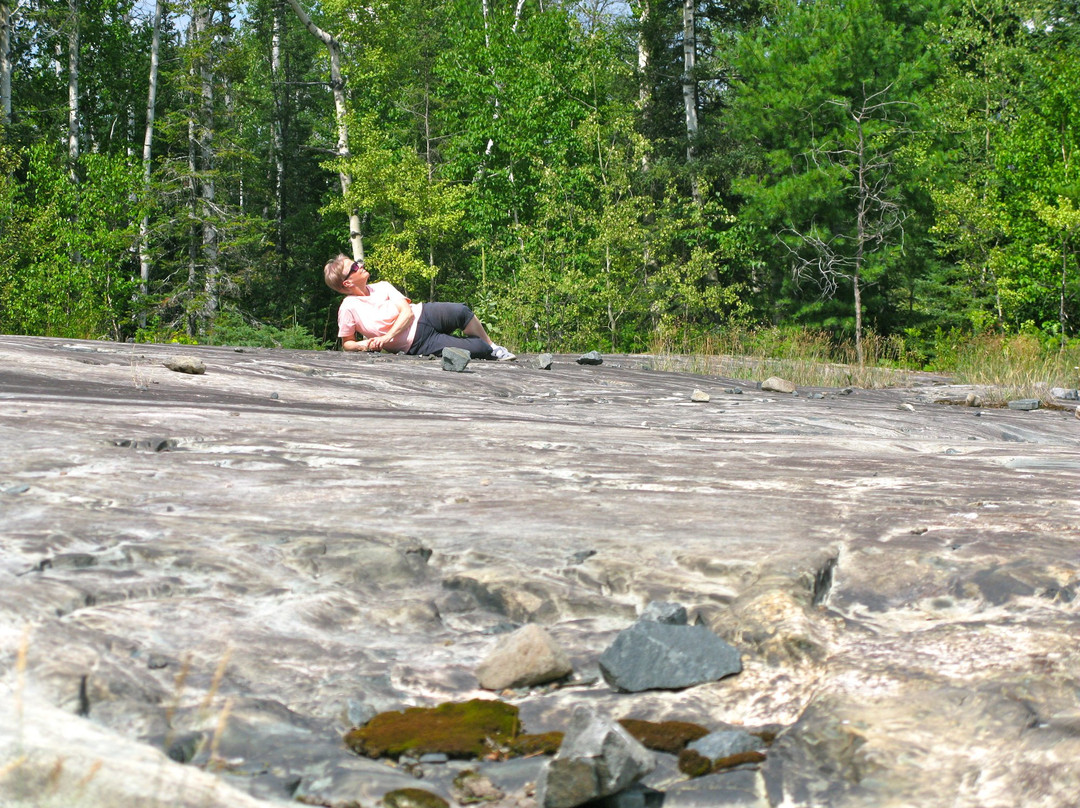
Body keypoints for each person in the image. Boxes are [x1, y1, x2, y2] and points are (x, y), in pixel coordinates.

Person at [323, 254, 516, 360]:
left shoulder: (382, 286)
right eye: (354, 268)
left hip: (424, 313)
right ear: (347, 283)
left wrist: (385, 338)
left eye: (357, 263)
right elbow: (347, 343)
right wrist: (363, 345)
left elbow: (406, 312)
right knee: (479, 349)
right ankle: (486, 348)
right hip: (417, 343)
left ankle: (494, 346)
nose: (360, 266)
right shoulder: (348, 308)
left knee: (461, 311)